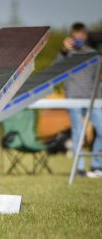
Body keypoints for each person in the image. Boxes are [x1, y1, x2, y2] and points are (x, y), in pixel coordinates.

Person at [55, 22, 102, 178]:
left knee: (101, 130)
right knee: (78, 133)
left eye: (81, 35)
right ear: (71, 37)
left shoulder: (93, 54)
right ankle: (80, 169)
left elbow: (98, 79)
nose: (78, 39)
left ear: (85, 35)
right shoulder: (66, 54)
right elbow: (54, 70)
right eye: (75, 36)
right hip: (73, 99)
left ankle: (95, 166)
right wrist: (63, 51)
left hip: (92, 99)